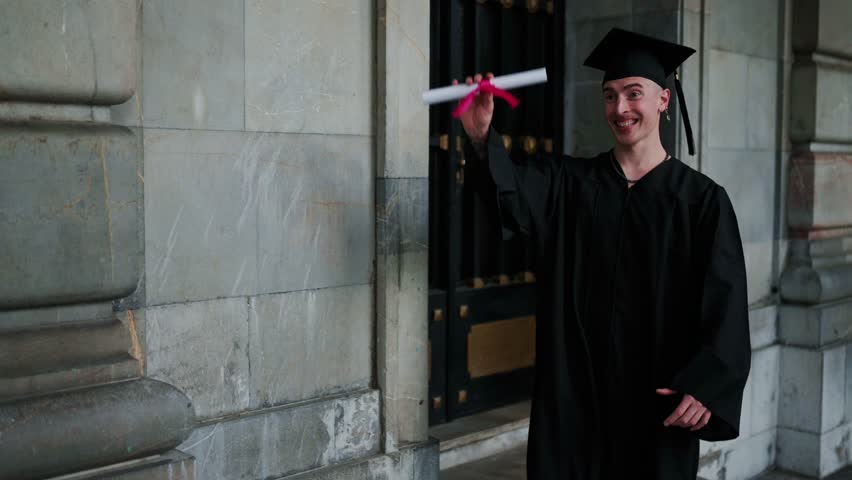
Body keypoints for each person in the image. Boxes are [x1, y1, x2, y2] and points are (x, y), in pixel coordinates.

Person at [454, 28, 751, 479]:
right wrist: (480, 137)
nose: (620, 108)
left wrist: (707, 384)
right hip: (574, 405)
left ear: (663, 100)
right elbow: (510, 193)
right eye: (610, 96)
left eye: (633, 94)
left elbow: (726, 304)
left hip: (654, 407)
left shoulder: (701, 202)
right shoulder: (569, 184)